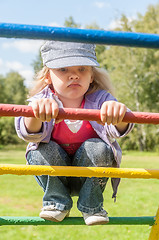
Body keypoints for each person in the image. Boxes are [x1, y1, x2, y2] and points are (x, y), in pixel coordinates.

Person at [15, 41, 134, 226]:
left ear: (92, 75)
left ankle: (91, 207)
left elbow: (118, 131)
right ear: (48, 76)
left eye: (82, 69)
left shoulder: (101, 99)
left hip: (90, 177)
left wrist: (118, 112)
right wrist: (36, 113)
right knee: (39, 151)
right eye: (63, 69)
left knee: (98, 147)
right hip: (55, 177)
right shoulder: (42, 100)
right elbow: (28, 134)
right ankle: (56, 204)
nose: (74, 75)